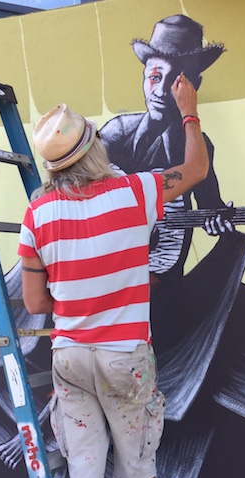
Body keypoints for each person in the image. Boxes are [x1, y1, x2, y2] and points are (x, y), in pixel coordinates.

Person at [17, 74, 209, 478]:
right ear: (94, 147)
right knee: (136, 461)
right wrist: (188, 111)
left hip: (71, 358)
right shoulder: (134, 192)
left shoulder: (37, 216)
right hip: (126, 357)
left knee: (84, 469)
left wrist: (72, 280)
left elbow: (35, 304)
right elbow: (196, 169)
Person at [100, 14, 233, 293]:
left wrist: (216, 219)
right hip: (111, 277)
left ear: (192, 86)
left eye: (174, 82)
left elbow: (210, 203)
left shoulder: (198, 145)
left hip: (163, 279)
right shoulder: (115, 133)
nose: (160, 91)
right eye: (155, 77)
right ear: (144, 77)